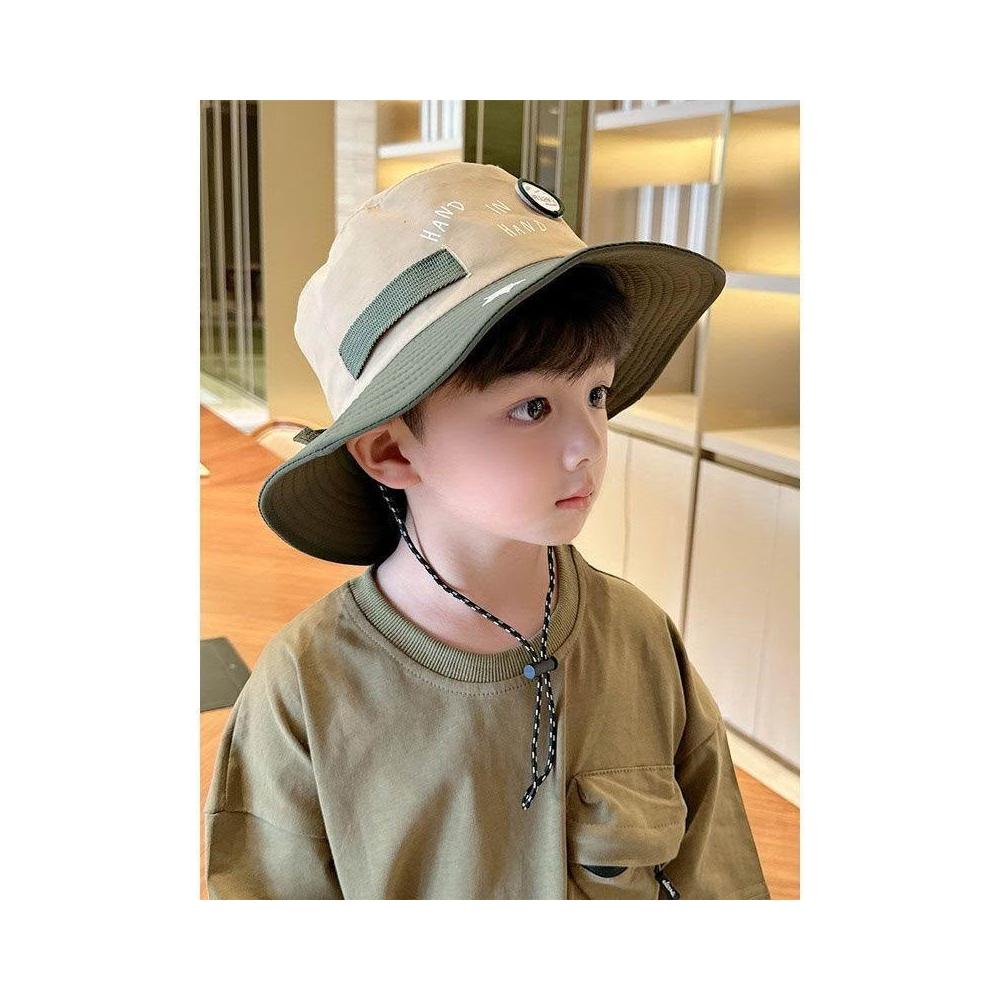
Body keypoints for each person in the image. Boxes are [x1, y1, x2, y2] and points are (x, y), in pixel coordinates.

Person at [204, 161, 771, 899]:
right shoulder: (306, 692)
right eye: (531, 407)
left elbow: (717, 880)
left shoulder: (639, 640)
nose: (588, 444)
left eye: (596, 393)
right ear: (391, 450)